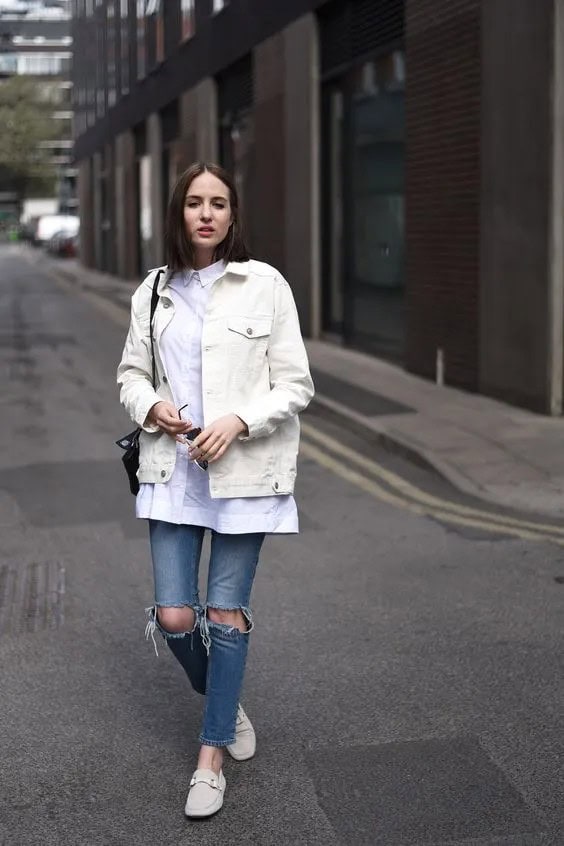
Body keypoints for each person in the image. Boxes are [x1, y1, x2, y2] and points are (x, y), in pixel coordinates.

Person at [117, 162, 314, 819]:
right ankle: (225, 706)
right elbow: (129, 376)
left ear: (233, 215)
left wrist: (238, 420)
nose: (207, 213)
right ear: (178, 214)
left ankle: (210, 759)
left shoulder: (265, 286)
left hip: (244, 474)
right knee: (176, 617)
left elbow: (296, 385)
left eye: (219, 203)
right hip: (173, 470)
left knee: (224, 616)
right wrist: (153, 408)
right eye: (195, 203)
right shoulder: (151, 291)